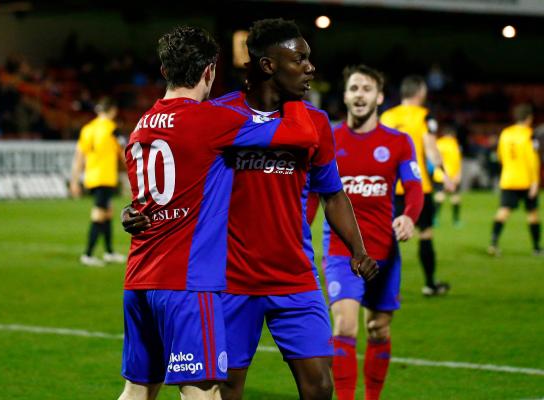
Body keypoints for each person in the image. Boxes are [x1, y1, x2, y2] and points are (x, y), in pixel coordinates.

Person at [123, 19, 378, 400]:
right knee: (224, 390)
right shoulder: (219, 116)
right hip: (231, 280)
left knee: (321, 386)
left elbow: (333, 192)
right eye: (300, 59)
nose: (310, 67)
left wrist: (358, 250)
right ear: (268, 65)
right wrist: (136, 208)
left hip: (295, 276)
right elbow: (176, 172)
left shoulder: (317, 122)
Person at [318, 65, 423, 400]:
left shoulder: (398, 142)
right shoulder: (328, 139)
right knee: (344, 327)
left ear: (379, 97)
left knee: (378, 329)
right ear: (345, 96)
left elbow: (415, 188)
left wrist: (408, 217)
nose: (359, 94)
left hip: (384, 253)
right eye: (353, 88)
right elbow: (309, 193)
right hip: (341, 251)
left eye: (366, 89)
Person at [380, 75, 453, 296]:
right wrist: (444, 174)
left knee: (388, 238)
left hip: (390, 187)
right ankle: (430, 284)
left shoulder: (386, 116)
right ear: (420, 92)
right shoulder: (424, 116)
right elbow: (431, 149)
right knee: (425, 234)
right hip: (417, 187)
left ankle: (388, 288)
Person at [70, 97, 126, 267]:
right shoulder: (112, 129)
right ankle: (87, 254)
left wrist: (74, 180)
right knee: (99, 214)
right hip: (106, 177)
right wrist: (133, 174)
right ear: (113, 111)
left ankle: (109, 252)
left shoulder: (88, 129)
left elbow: (79, 156)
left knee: (107, 212)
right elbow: (124, 153)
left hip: (92, 178)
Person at [488, 104, 541, 256]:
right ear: (529, 118)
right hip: (526, 180)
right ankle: (537, 248)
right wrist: (535, 182)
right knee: (532, 213)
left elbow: (500, 155)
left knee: (503, 211)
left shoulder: (505, 133)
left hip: (508, 178)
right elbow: (533, 160)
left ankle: (493, 243)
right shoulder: (530, 135)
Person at [433, 126, 463, 227]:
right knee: (455, 197)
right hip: (452, 175)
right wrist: (458, 175)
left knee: (439, 195)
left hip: (439, 174)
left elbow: (434, 159)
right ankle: (456, 220)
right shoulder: (454, 144)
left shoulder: (438, 143)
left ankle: (435, 218)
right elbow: (457, 161)